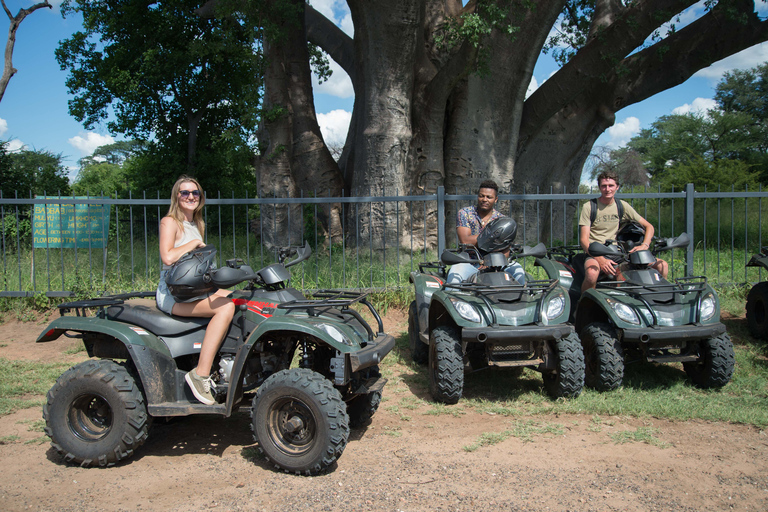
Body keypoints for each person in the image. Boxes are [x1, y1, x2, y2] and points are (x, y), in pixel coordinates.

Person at [156, 175, 235, 405]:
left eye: (195, 193)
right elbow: (168, 257)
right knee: (225, 308)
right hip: (173, 295)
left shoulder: (196, 224)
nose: (190, 196)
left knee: (239, 299)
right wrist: (192, 244)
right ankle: (200, 374)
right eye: (185, 193)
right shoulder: (170, 222)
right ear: (177, 197)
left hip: (193, 290)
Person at [578, 171, 669, 292]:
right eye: (604, 186)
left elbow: (649, 226)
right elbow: (584, 239)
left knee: (662, 266)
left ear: (617, 187)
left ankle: (658, 301)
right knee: (591, 274)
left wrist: (644, 245)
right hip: (594, 252)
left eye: (611, 185)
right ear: (599, 187)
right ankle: (584, 305)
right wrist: (600, 259)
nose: (607, 189)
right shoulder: (589, 206)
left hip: (618, 253)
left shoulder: (622, 206)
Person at [447, 179, 526, 284]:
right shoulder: (465, 214)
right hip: (469, 262)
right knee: (454, 275)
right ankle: (452, 298)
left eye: (489, 197)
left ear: (496, 199)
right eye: (481, 196)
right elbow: (465, 240)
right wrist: (493, 235)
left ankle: (525, 297)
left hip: (496, 263)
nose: (484, 199)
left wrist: (491, 262)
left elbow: (506, 249)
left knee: (518, 269)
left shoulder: (502, 220)